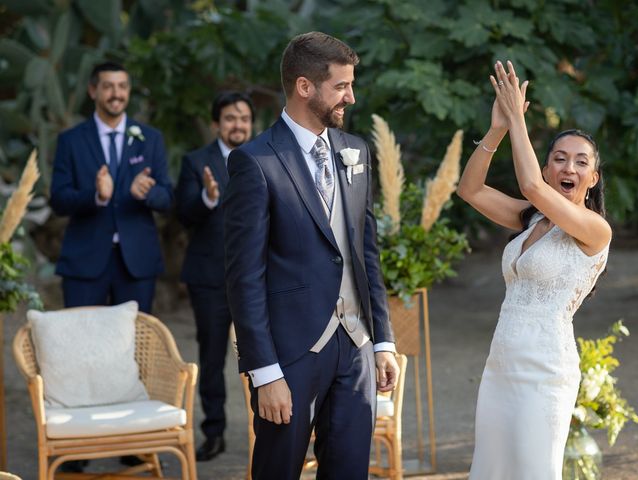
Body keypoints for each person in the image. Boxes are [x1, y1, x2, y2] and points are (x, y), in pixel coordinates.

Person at [223, 32, 400, 480]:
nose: (351, 97)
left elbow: (366, 253)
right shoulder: (256, 162)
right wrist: (264, 372)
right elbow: (244, 279)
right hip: (289, 357)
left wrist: (382, 341)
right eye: (341, 86)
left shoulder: (355, 151)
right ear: (305, 87)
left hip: (355, 347)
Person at [457, 60, 611, 479]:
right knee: (491, 470)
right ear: (546, 169)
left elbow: (529, 186)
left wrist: (518, 118)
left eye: (580, 163)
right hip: (501, 364)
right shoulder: (528, 219)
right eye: (559, 159)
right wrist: (499, 128)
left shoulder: (595, 232)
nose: (569, 168)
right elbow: (468, 189)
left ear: (593, 178)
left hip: (545, 371)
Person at [50, 61, 173, 472]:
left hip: (135, 261)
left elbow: (168, 198)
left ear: (128, 90)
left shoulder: (149, 138)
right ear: (93, 91)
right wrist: (96, 195)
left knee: (135, 352)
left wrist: (147, 192)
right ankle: (78, 447)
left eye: (122, 86)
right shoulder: (72, 140)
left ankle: (133, 442)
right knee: (79, 351)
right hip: (86, 259)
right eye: (108, 87)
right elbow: (58, 198)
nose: (116, 93)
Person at [175, 91, 254, 462]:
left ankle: (269, 429)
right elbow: (183, 215)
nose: (237, 125)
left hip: (256, 279)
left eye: (243, 118)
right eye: (229, 118)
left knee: (264, 353)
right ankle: (214, 432)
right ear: (215, 123)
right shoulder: (195, 162)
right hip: (208, 278)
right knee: (211, 358)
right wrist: (207, 197)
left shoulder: (265, 157)